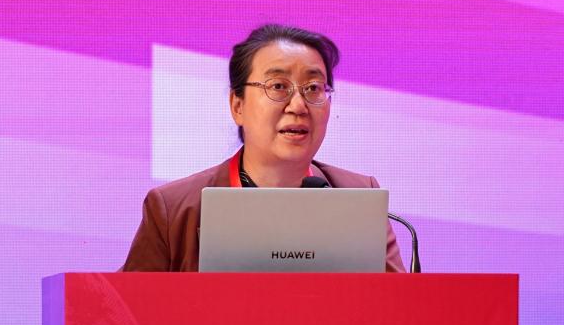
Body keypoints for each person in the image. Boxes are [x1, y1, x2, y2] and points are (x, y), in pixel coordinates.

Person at [121, 24, 404, 272]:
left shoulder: (360, 200)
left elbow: (398, 306)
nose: (298, 106)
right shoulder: (174, 210)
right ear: (238, 106)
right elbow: (128, 310)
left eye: (313, 88)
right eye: (278, 86)